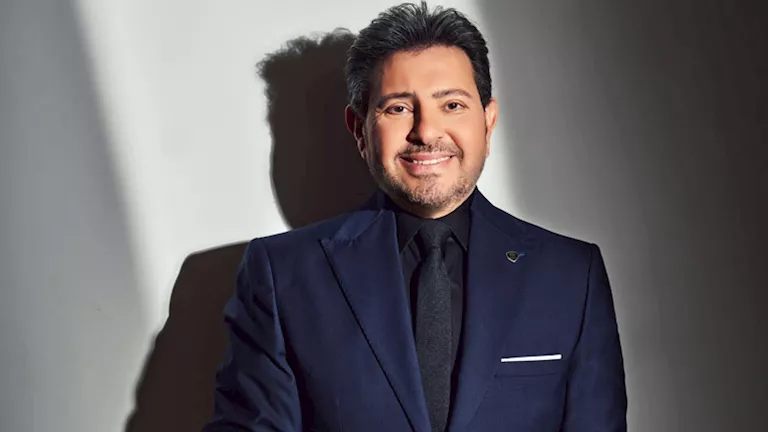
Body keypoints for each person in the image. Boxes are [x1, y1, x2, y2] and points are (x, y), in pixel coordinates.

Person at [203, 2, 627, 431]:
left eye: (453, 105)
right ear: (359, 129)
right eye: (398, 108)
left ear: (488, 122)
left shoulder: (572, 275)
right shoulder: (282, 274)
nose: (425, 132)